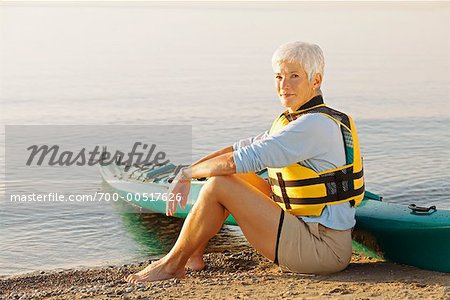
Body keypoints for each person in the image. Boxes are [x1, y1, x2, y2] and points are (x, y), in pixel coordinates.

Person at [125, 41, 365, 283]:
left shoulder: (313, 125)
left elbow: (238, 160)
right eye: (279, 76)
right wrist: (188, 172)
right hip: (307, 234)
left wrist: (186, 175)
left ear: (316, 81)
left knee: (221, 183)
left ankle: (171, 265)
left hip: (321, 250)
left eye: (294, 76)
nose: (284, 85)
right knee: (230, 178)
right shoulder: (296, 120)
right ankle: (192, 256)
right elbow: (239, 148)